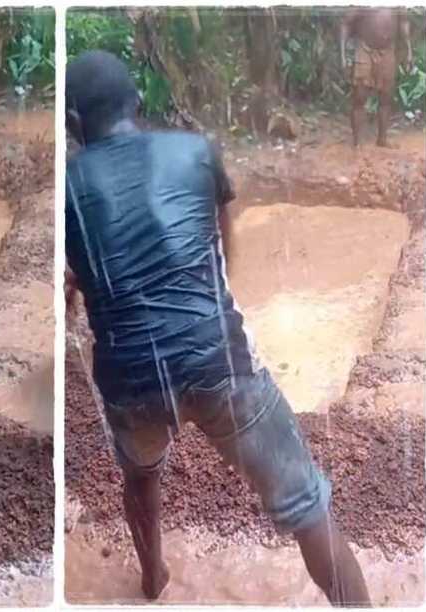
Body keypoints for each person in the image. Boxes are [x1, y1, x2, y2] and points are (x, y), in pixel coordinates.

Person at [64, 50, 371, 607]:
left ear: (73, 123)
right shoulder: (197, 152)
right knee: (307, 505)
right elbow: (219, 257)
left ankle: (153, 578)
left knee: (140, 474)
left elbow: (85, 283)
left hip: (132, 382)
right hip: (218, 362)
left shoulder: (67, 186)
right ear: (138, 102)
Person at [340, 9, 412, 148]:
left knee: (386, 97)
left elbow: (404, 21)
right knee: (359, 97)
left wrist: (409, 51)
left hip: (388, 51)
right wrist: (343, 56)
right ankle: (357, 142)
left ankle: (382, 139)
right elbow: (345, 23)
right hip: (364, 49)